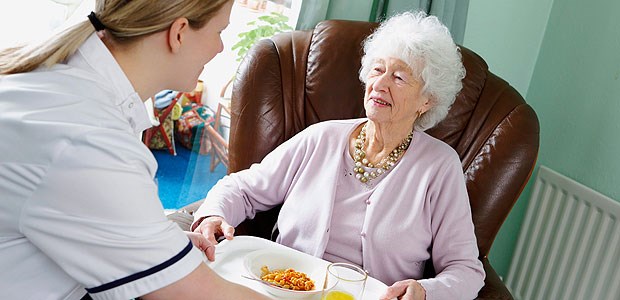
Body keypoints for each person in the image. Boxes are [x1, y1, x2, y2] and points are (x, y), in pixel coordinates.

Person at [192, 11, 486, 300]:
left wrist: (424, 292)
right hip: (283, 290)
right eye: (377, 69)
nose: (379, 84)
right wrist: (215, 214)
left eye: (398, 77)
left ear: (427, 99)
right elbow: (242, 188)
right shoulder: (321, 137)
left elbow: (465, 270)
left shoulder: (440, 167)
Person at [0, 1, 270, 299]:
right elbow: (199, 294)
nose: (219, 48)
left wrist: (151, 244)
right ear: (179, 32)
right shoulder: (89, 137)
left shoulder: (68, 80)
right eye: (219, 31)